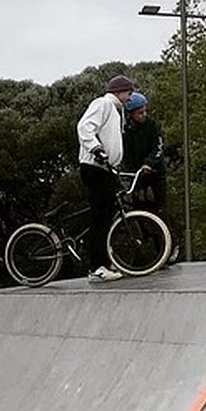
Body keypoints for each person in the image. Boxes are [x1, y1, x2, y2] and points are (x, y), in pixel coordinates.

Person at [76, 74, 135, 282]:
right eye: (129, 92)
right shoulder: (103, 104)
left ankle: (103, 261)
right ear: (119, 91)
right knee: (100, 217)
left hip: (106, 169)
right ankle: (96, 267)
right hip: (95, 166)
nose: (130, 97)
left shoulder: (116, 111)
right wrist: (96, 149)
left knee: (106, 215)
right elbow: (84, 127)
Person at [122, 92, 180, 265]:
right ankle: (143, 252)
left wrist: (149, 163)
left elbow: (158, 147)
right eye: (140, 113)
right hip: (138, 175)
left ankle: (168, 246)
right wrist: (133, 175)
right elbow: (127, 155)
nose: (144, 115)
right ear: (130, 114)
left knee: (160, 210)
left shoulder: (152, 126)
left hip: (155, 173)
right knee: (139, 212)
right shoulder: (127, 130)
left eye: (145, 112)